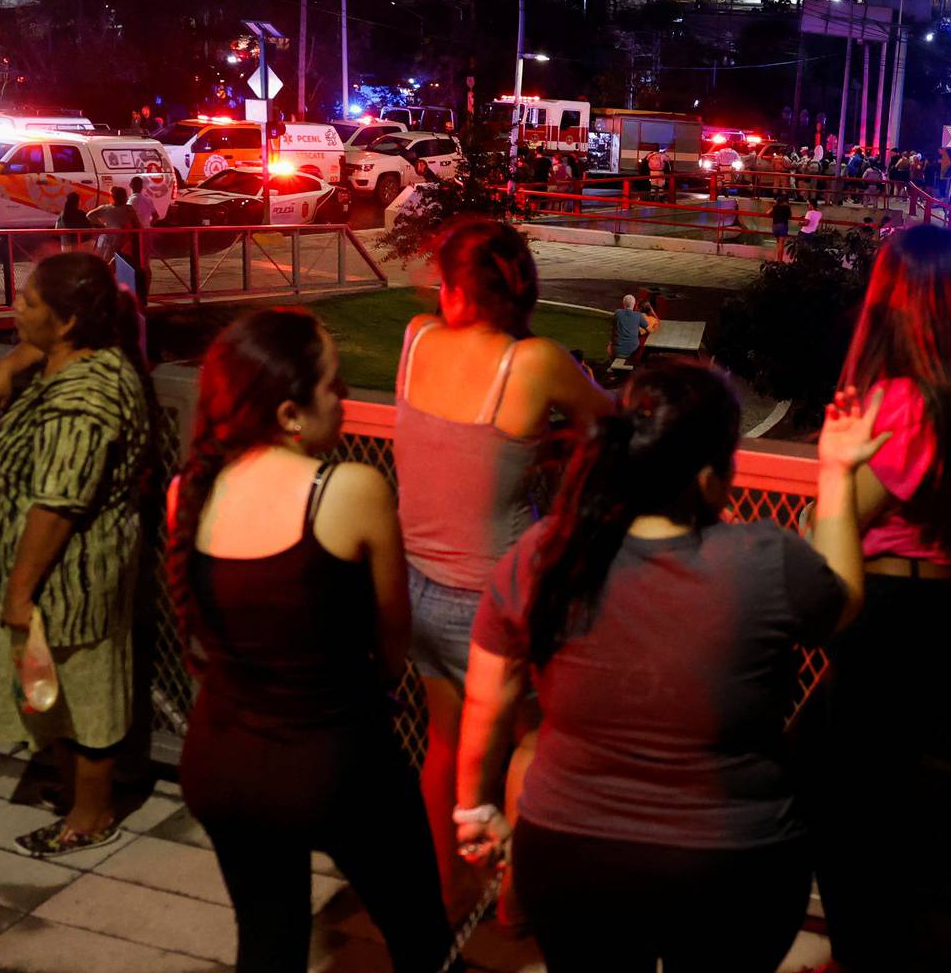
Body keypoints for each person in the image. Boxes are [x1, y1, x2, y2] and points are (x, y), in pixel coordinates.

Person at [453, 364, 886, 972]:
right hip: (732, 864)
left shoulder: (546, 552)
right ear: (710, 477)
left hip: (570, 857)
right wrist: (837, 471)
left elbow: (486, 701)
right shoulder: (762, 561)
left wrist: (475, 811)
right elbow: (842, 596)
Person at [170, 309, 452, 972]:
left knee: (268, 941)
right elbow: (393, 634)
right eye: (337, 387)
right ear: (292, 413)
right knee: (420, 934)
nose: (348, 401)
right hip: (335, 762)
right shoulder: (348, 489)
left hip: (221, 762)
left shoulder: (190, 488)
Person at [797, 223, 951, 971]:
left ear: (893, 296)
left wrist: (817, 502)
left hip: (888, 619)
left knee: (851, 821)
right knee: (895, 819)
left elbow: (842, 516)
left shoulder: (903, 401)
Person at [395, 218, 613, 912]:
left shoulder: (415, 339)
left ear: (458, 290)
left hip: (418, 581)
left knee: (445, 742)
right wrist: (554, 444)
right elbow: (611, 424)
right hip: (497, 592)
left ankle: (446, 883)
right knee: (533, 741)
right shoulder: (536, 362)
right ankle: (517, 897)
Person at [0, 252, 151, 855]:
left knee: (86, 694)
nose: (15, 309)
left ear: (68, 321)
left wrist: (19, 591)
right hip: (55, 577)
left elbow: (57, 504)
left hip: (70, 577)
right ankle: (72, 789)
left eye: (27, 302)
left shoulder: (85, 395)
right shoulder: (75, 359)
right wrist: (10, 360)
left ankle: (91, 813)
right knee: (54, 690)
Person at [88, 185, 138, 264]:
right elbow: (138, 225)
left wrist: (102, 226)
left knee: (106, 265)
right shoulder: (129, 209)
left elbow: (89, 215)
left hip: (107, 243)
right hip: (123, 244)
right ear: (124, 198)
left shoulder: (105, 208)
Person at [609, 293, 656, 364]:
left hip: (617, 351)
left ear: (623, 303)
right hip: (634, 351)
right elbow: (650, 330)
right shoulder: (638, 315)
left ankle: (611, 364)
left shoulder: (617, 313)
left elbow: (612, 324)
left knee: (609, 346)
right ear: (633, 304)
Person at [771, 193, 793, 261]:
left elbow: (767, 213)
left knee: (778, 244)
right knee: (781, 245)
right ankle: (779, 261)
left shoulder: (775, 207)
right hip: (782, 226)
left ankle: (777, 259)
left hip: (775, 226)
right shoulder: (787, 208)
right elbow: (790, 217)